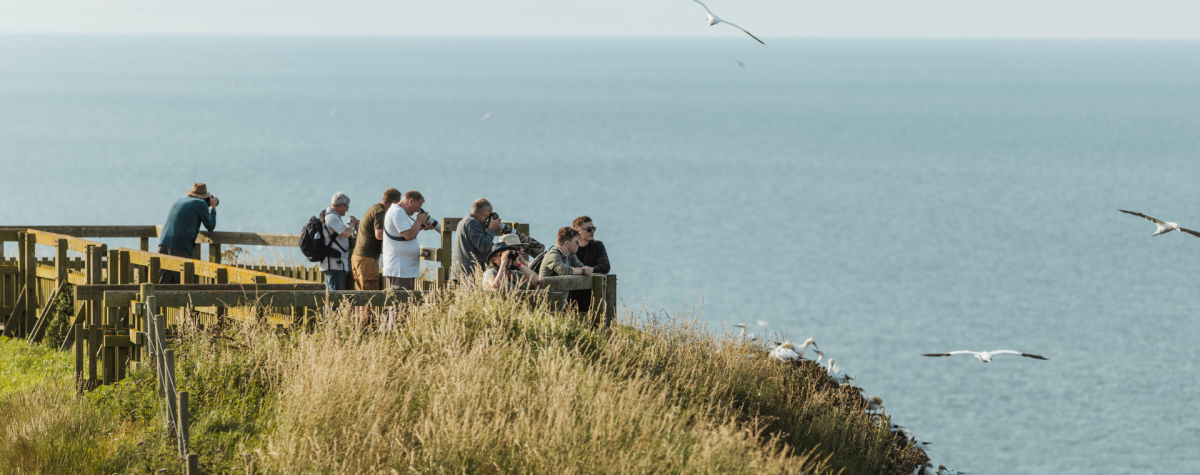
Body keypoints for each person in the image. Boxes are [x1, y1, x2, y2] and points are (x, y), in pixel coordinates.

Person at [158, 183, 219, 284]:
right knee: (189, 284)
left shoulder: (180, 201)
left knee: (166, 285)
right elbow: (210, 226)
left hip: (164, 243)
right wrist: (213, 207)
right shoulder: (200, 204)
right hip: (180, 246)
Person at [381, 190, 434, 291]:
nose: (417, 211)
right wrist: (419, 220)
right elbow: (409, 235)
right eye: (417, 207)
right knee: (400, 303)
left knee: (402, 303)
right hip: (400, 268)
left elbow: (407, 233)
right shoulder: (397, 212)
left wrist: (421, 226)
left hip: (403, 268)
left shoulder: (398, 212)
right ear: (411, 201)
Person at [352, 188, 402, 291]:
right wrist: (400, 236)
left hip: (358, 256)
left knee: (361, 295)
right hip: (367, 258)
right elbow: (379, 234)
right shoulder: (380, 212)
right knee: (371, 295)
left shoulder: (374, 208)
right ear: (393, 202)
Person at [451, 198, 502, 281]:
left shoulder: (468, 221)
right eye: (489, 215)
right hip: (468, 277)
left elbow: (486, 246)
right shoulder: (471, 223)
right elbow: (484, 247)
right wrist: (491, 229)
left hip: (463, 275)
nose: (489, 219)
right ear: (483, 212)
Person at [569, 216, 610, 313]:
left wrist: (586, 271)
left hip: (593, 295)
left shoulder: (598, 245)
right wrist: (583, 271)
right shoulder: (570, 247)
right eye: (589, 229)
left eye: (593, 228)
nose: (592, 231)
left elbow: (605, 266)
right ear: (577, 231)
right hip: (571, 294)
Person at [321, 192, 359, 291]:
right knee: (334, 298)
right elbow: (346, 233)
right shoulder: (332, 218)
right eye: (347, 207)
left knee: (335, 296)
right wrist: (352, 225)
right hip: (334, 264)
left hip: (336, 263)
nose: (347, 210)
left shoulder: (332, 217)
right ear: (341, 206)